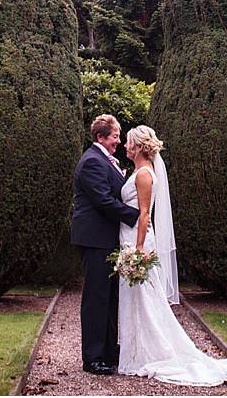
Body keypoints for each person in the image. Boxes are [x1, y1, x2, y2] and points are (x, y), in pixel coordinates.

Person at [117, 125, 227, 385]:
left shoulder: (144, 174)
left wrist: (138, 249)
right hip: (131, 237)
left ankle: (152, 351)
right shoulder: (140, 171)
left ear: (140, 147)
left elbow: (144, 214)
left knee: (144, 297)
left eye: (130, 143)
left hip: (137, 240)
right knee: (138, 297)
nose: (125, 146)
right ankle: (135, 350)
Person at [70, 114, 140, 375]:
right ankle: (92, 357)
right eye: (115, 136)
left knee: (110, 297)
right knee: (96, 298)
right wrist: (136, 216)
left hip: (106, 239)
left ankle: (109, 351)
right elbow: (102, 201)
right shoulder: (92, 162)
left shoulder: (105, 160)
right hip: (95, 239)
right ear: (101, 137)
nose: (118, 141)